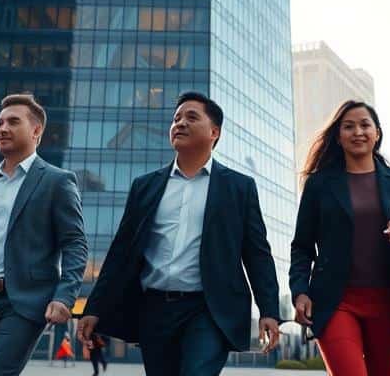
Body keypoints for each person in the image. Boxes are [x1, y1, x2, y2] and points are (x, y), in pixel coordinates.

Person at [78, 91, 281, 376]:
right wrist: (94, 306)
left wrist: (269, 309)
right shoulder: (145, 186)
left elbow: (257, 253)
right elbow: (121, 252)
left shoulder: (238, 187)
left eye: (191, 117)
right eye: (176, 118)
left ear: (214, 132)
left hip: (209, 310)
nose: (180, 123)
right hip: (154, 309)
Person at [0, 94, 87, 376]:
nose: (2, 129)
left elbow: (75, 243)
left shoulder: (57, 181)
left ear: (36, 131)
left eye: (13, 122)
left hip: (24, 303)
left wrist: (65, 296)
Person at [289, 100, 390, 376]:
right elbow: (302, 246)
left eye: (365, 125)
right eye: (349, 126)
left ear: (377, 133)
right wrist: (300, 291)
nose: (358, 132)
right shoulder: (319, 184)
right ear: (338, 136)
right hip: (335, 301)